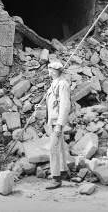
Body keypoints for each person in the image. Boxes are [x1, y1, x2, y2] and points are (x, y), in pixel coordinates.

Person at [44, 60, 71, 190]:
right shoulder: (54, 83)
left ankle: (56, 178)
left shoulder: (63, 84)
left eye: (50, 70)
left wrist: (60, 125)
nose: (49, 71)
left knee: (53, 149)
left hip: (57, 122)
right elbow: (52, 102)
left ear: (55, 71)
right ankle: (64, 171)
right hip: (53, 120)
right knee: (59, 147)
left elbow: (65, 106)